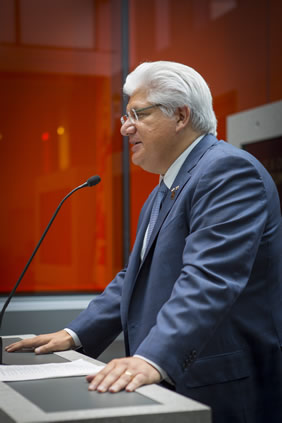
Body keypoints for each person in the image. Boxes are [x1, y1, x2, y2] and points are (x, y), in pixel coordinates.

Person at [6, 61, 282, 423]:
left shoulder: (227, 172)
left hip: (221, 385)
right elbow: (133, 277)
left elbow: (209, 278)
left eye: (139, 114)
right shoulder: (163, 189)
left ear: (181, 115)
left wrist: (154, 357)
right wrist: (75, 334)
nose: (124, 127)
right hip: (177, 380)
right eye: (124, 116)